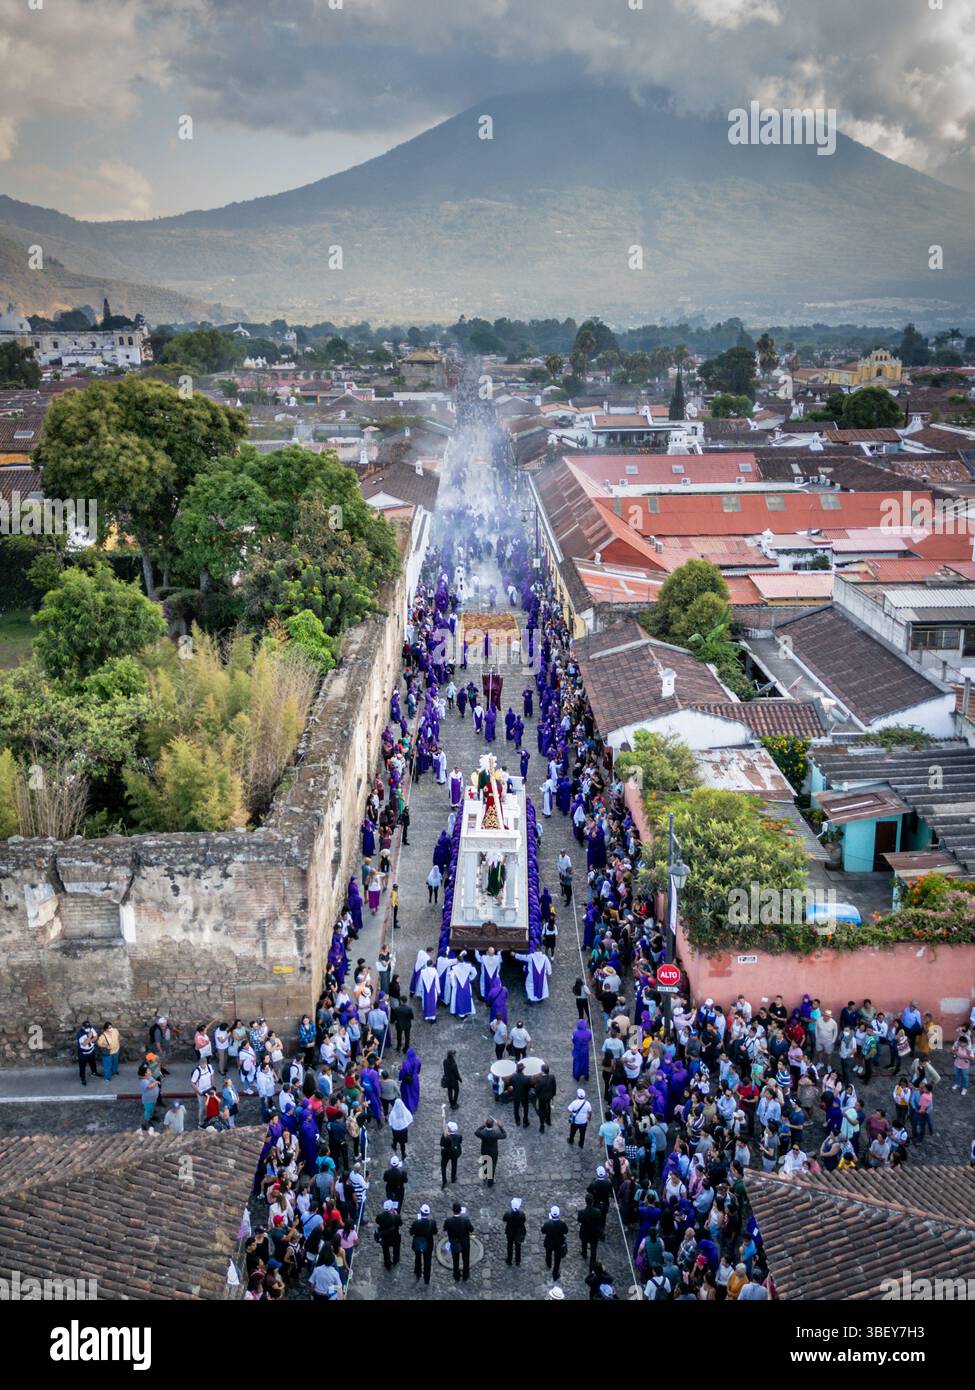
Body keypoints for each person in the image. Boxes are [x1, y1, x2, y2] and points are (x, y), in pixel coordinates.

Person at [444, 1202, 475, 1282]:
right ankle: (465, 1275)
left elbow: (445, 1228)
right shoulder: (465, 1220)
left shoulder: (448, 1221)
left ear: (453, 1210)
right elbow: (471, 1229)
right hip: (464, 1243)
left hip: (454, 1243)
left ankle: (456, 1275)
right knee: (466, 1260)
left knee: (455, 1260)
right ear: (460, 1210)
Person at [475, 1116, 507, 1186]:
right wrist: (500, 1127)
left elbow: (476, 1132)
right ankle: (490, 1181)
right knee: (492, 1166)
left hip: (484, 1150)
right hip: (493, 1152)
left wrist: (483, 1125)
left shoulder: (482, 1133)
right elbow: (504, 1135)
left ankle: (484, 1176)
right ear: (493, 1125)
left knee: (484, 1163)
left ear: (486, 1124)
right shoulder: (496, 1133)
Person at [410, 1204, 438, 1285]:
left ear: (421, 1212)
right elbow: (435, 1232)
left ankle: (418, 1273)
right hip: (428, 1244)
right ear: (428, 1213)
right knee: (427, 1260)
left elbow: (411, 1232)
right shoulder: (432, 1223)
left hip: (418, 1243)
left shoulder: (416, 1222)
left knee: (417, 1258)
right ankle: (426, 1278)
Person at [577, 1194, 605, 1272]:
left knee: (584, 1243)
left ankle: (584, 1254)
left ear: (585, 1201)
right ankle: (591, 1267)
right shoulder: (597, 1212)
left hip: (584, 1232)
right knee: (593, 1250)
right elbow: (600, 1221)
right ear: (592, 1201)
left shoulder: (581, 1212)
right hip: (594, 1233)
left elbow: (579, 1220)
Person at [541, 1205, 569, 1281]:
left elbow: (543, 1231)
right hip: (558, 1244)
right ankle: (555, 1274)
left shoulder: (547, 1223)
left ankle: (548, 1264)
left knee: (548, 1254)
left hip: (549, 1243)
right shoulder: (562, 1223)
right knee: (557, 1260)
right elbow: (566, 1231)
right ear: (558, 1214)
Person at [376, 1200, 403, 1271]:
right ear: (391, 1208)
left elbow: (377, 1221)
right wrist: (397, 1215)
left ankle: (387, 1264)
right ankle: (396, 1260)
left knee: (385, 1251)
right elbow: (400, 1223)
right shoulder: (396, 1217)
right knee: (396, 1248)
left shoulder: (380, 1216)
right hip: (395, 1237)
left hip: (385, 1237)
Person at [503, 1197, 527, 1267]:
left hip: (510, 1232)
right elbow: (524, 1220)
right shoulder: (522, 1214)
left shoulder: (508, 1214)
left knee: (509, 1246)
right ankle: (517, 1261)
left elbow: (504, 1219)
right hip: (519, 1233)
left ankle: (509, 1260)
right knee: (518, 1247)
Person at [535, 1063, 557, 1133]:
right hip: (549, 1097)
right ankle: (548, 1120)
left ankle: (542, 1125)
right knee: (548, 1108)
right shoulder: (552, 1076)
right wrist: (553, 1094)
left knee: (542, 1111)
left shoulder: (540, 1080)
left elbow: (536, 1090)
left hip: (542, 1098)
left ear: (542, 1071)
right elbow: (554, 1086)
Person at [76, 1021, 99, 1086]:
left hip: (91, 1050)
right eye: (86, 1027)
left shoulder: (91, 1028)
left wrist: (90, 1040)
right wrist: (89, 1037)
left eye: (88, 1027)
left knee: (93, 1063)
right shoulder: (80, 1034)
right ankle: (82, 1077)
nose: (88, 1028)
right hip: (83, 1053)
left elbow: (96, 1037)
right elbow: (84, 1044)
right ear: (83, 1027)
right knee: (82, 1066)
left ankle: (94, 1072)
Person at [441, 1120, 463, 1188]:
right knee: (454, 1165)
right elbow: (460, 1142)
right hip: (454, 1153)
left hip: (446, 1153)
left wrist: (444, 1135)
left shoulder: (446, 1137)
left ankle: (444, 1181)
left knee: (443, 1166)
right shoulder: (458, 1136)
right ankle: (453, 1178)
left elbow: (441, 1144)